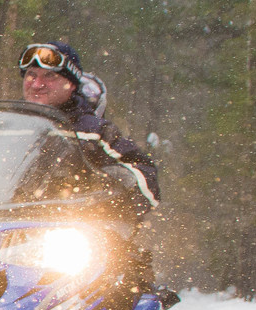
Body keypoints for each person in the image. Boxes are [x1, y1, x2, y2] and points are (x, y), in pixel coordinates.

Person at [18, 40, 161, 203]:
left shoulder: (94, 132)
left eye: (49, 76)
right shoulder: (2, 127)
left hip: (69, 221)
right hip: (2, 221)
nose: (37, 84)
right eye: (31, 75)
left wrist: (113, 186)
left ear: (71, 84)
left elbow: (147, 177)